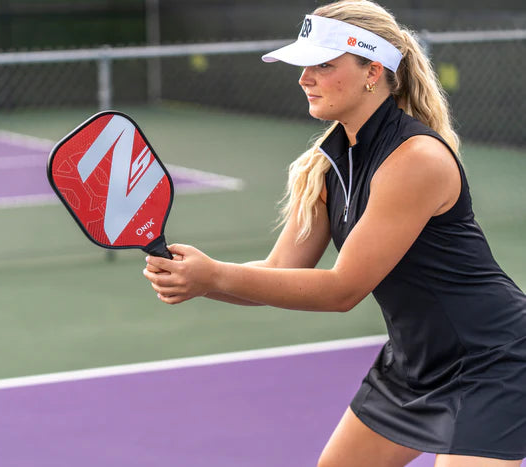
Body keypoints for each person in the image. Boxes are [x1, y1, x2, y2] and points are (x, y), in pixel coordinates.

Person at [142, 0, 526, 465]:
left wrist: (214, 276)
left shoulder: (415, 159)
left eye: (323, 64)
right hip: (412, 365)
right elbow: (281, 270)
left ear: (372, 70)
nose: (305, 77)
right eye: (305, 65)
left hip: (492, 364)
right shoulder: (328, 166)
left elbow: (343, 289)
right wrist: (197, 279)